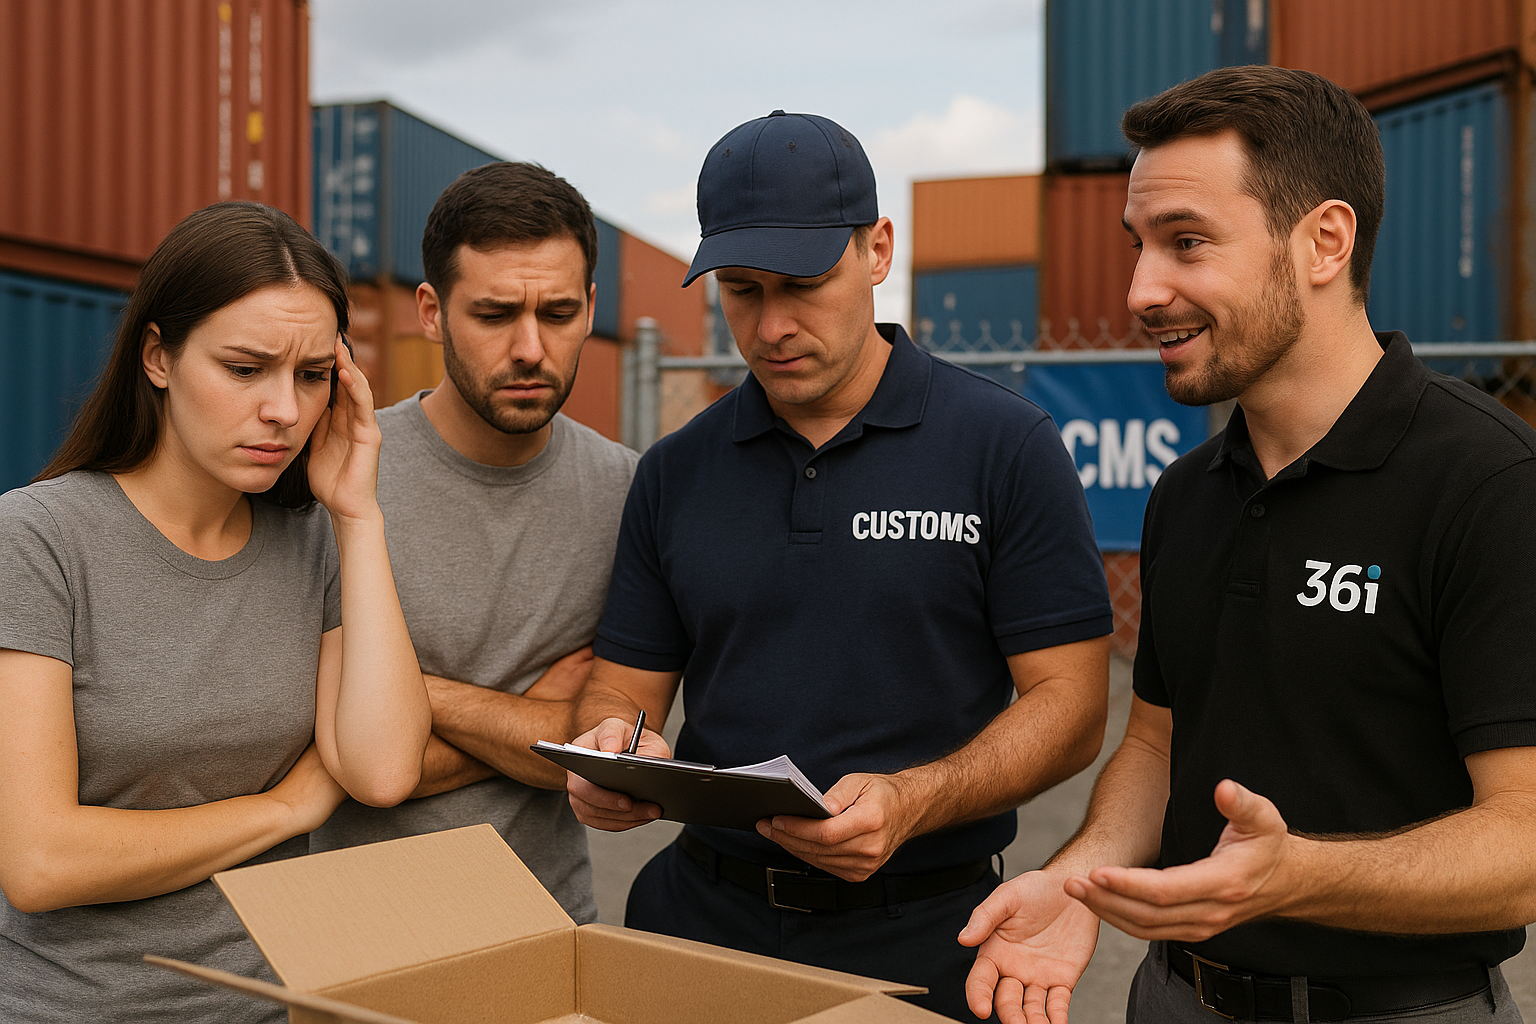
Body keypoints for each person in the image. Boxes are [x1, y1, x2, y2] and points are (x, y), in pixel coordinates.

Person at [960, 65, 1536, 1024]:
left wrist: (1293, 877)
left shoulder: (1489, 483)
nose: (1143, 290)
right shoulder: (1188, 495)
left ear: (1324, 241)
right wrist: (1076, 879)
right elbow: (1157, 739)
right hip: (1176, 999)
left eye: (1187, 243)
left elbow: (1523, 844)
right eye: (1138, 247)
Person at [564, 110, 1113, 1021]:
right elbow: (622, 690)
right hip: (696, 923)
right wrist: (610, 752)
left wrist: (912, 799)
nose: (773, 325)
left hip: (930, 937)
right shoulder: (675, 471)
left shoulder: (1005, 446)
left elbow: (1074, 706)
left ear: (878, 249)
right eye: (741, 291)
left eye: (803, 283)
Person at [0, 201, 431, 1024]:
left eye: (312, 377)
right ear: (158, 356)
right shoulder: (37, 538)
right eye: (244, 369)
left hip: (275, 1003)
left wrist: (359, 516)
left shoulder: (315, 539)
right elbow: (41, 860)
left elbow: (379, 770)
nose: (284, 411)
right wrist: (287, 808)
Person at [308, 162, 638, 922]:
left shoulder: (628, 493)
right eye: (493, 315)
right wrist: (537, 724)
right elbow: (330, 760)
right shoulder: (335, 475)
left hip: (553, 931)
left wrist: (409, 699)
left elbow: (593, 747)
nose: (529, 349)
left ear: (591, 307)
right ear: (430, 311)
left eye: (557, 313)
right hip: (348, 931)